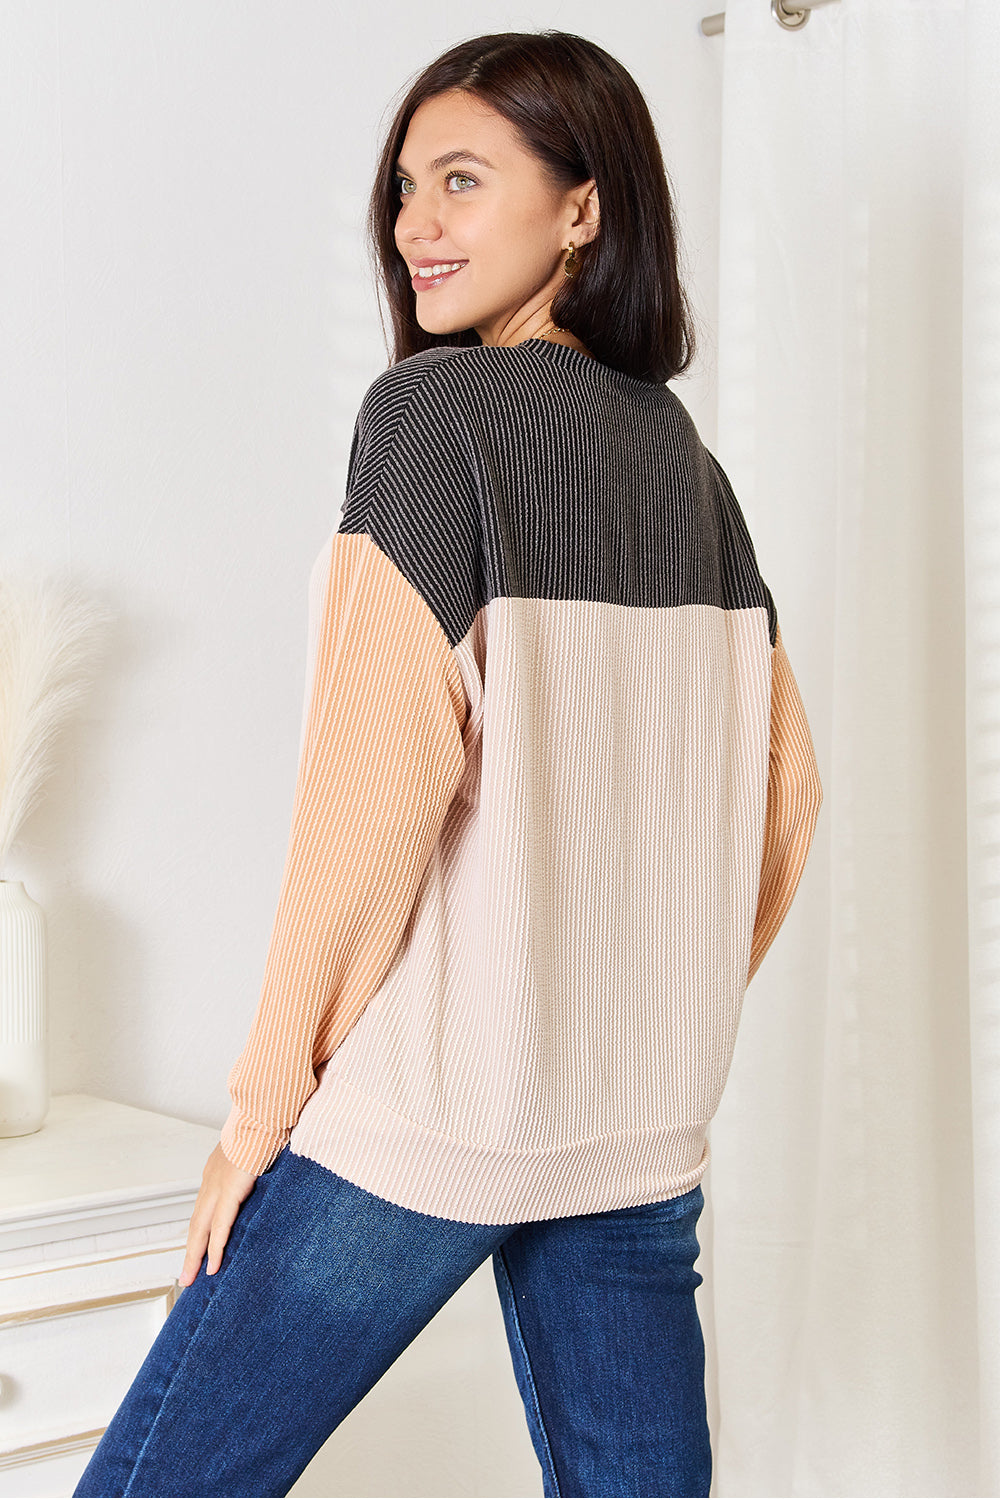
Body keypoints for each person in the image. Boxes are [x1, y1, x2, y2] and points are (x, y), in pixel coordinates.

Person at [75, 28, 822, 1500]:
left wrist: (257, 1117)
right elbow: (781, 800)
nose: (416, 223)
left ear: (583, 208)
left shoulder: (430, 420)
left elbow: (367, 804)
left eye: (463, 181)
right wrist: (653, 1020)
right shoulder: (690, 468)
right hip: (637, 1116)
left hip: (437, 1113)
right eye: (407, 186)